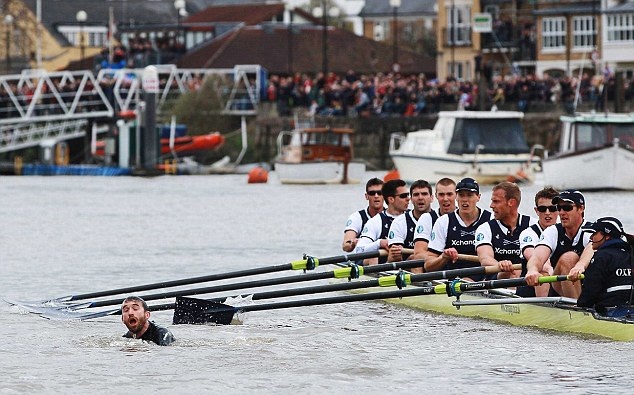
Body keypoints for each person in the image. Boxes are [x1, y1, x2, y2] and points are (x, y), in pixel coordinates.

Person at [525, 189, 593, 298]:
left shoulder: (590, 231)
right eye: (559, 208)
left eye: (567, 208)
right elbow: (537, 256)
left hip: (588, 285)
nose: (561, 212)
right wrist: (532, 270)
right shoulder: (552, 231)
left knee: (570, 257)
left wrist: (580, 266)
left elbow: (592, 248)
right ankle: (575, 308)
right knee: (566, 259)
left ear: (581, 209)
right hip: (559, 287)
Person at [424, 177, 492, 279]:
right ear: (456, 197)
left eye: (469, 195)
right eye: (461, 195)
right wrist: (443, 257)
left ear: (478, 197)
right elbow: (428, 265)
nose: (464, 199)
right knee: (465, 280)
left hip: (485, 278)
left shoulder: (491, 219)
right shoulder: (444, 222)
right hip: (453, 279)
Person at [475, 182, 535, 280]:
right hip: (498, 279)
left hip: (527, 278)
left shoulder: (532, 225)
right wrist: (500, 265)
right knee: (511, 274)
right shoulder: (485, 228)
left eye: (496, 201)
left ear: (511, 202)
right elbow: (485, 259)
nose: (491, 206)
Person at [576, 217, 634, 315]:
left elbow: (591, 290)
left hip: (610, 312)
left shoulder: (602, 256)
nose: (591, 238)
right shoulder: (630, 254)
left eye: (594, 233)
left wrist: (580, 308)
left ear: (606, 236)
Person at [516, 187, 559, 297]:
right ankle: (543, 307)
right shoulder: (528, 234)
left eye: (552, 209)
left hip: (557, 282)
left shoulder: (564, 230)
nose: (547, 213)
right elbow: (533, 257)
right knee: (543, 273)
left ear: (559, 209)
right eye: (542, 209)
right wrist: (550, 270)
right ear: (536, 211)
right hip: (530, 287)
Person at [355, 179, 410, 265]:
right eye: (403, 196)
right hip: (382, 265)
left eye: (408, 195)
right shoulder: (375, 222)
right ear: (391, 199)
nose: (408, 199)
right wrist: (379, 243)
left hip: (407, 263)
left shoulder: (415, 217)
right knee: (372, 256)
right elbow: (359, 250)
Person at [410, 178, 457, 269]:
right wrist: (442, 257)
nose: (445, 199)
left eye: (449, 194)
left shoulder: (465, 217)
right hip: (436, 266)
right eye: (441, 195)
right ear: (436, 196)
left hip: (461, 267)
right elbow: (419, 254)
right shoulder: (427, 218)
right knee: (415, 261)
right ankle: (422, 283)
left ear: (456, 195)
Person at [386, 179, 434, 263]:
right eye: (416, 195)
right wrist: (395, 254)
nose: (420, 198)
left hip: (434, 265)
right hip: (408, 268)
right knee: (414, 259)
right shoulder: (400, 222)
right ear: (411, 199)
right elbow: (394, 258)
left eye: (424, 194)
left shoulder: (441, 220)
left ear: (432, 198)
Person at [342, 178, 384, 252]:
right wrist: (352, 243)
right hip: (364, 258)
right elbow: (346, 246)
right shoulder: (357, 217)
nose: (376, 196)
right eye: (372, 193)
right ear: (366, 196)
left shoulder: (391, 216)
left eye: (380, 193)